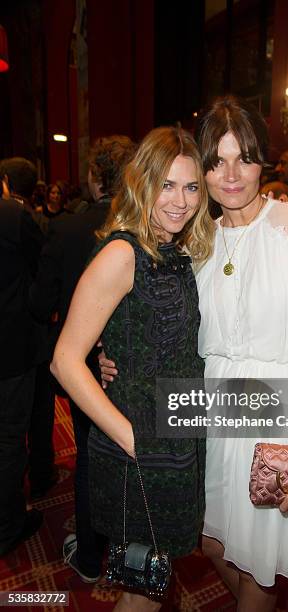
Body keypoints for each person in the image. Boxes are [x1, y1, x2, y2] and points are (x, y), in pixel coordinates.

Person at [101, 96, 288, 610]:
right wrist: (111, 352)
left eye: (245, 158)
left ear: (263, 162)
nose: (231, 175)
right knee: (206, 541)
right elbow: (158, 321)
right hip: (206, 417)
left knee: (258, 571)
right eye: (216, 161)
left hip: (276, 416)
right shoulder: (194, 240)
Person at [51, 126, 214, 611]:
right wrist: (129, 435)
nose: (180, 201)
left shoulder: (176, 250)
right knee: (141, 593)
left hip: (176, 442)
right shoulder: (123, 253)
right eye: (167, 185)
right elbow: (64, 361)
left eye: (190, 187)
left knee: (156, 580)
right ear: (142, 182)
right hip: (138, 450)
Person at [29, 135, 136, 581]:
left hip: (82, 363)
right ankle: (123, 545)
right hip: (132, 363)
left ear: (96, 177)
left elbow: (40, 302)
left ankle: (92, 555)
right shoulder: (146, 228)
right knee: (126, 452)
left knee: (92, 452)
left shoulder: (69, 228)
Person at [0, 157, 44, 556]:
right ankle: (9, 524)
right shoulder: (13, 216)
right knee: (11, 437)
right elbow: (40, 266)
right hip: (12, 346)